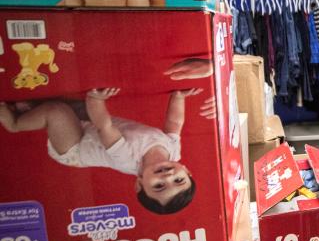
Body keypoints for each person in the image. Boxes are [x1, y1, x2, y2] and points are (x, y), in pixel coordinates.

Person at [0, 87, 202, 214]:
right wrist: (179, 96)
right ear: (187, 171)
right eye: (178, 180)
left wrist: (96, 100)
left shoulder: (127, 158)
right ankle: (31, 108)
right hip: (88, 127)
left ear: (139, 185)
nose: (167, 177)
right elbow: (174, 122)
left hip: (74, 147)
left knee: (57, 111)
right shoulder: (173, 151)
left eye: (158, 186)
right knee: (70, 99)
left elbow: (104, 126)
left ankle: (15, 122)